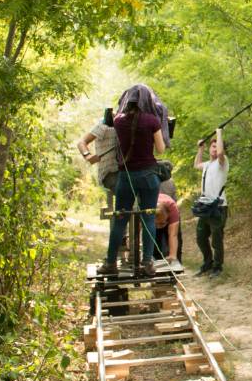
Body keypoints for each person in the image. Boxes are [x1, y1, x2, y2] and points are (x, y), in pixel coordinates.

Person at [97, 84, 166, 278]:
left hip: (126, 177)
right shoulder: (152, 120)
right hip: (148, 177)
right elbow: (161, 150)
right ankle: (147, 263)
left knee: (120, 219)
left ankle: (111, 262)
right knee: (148, 218)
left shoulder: (118, 121)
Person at [193, 128, 228, 276]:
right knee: (201, 237)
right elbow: (196, 165)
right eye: (212, 146)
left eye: (216, 146)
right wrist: (200, 149)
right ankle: (208, 262)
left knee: (216, 239)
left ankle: (217, 267)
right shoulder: (207, 164)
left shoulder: (222, 162)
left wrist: (219, 133)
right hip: (205, 207)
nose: (214, 149)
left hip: (218, 207)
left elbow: (220, 153)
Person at [76, 108, 118, 195]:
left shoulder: (124, 124)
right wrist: (88, 156)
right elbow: (81, 143)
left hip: (122, 171)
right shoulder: (102, 126)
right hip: (109, 173)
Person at [154, 191, 181, 267]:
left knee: (175, 246)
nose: (159, 227)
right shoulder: (147, 210)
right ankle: (155, 262)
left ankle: (177, 264)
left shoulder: (173, 210)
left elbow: (173, 235)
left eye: (161, 223)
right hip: (153, 210)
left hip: (170, 213)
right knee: (155, 241)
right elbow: (139, 231)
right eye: (156, 224)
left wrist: (172, 255)